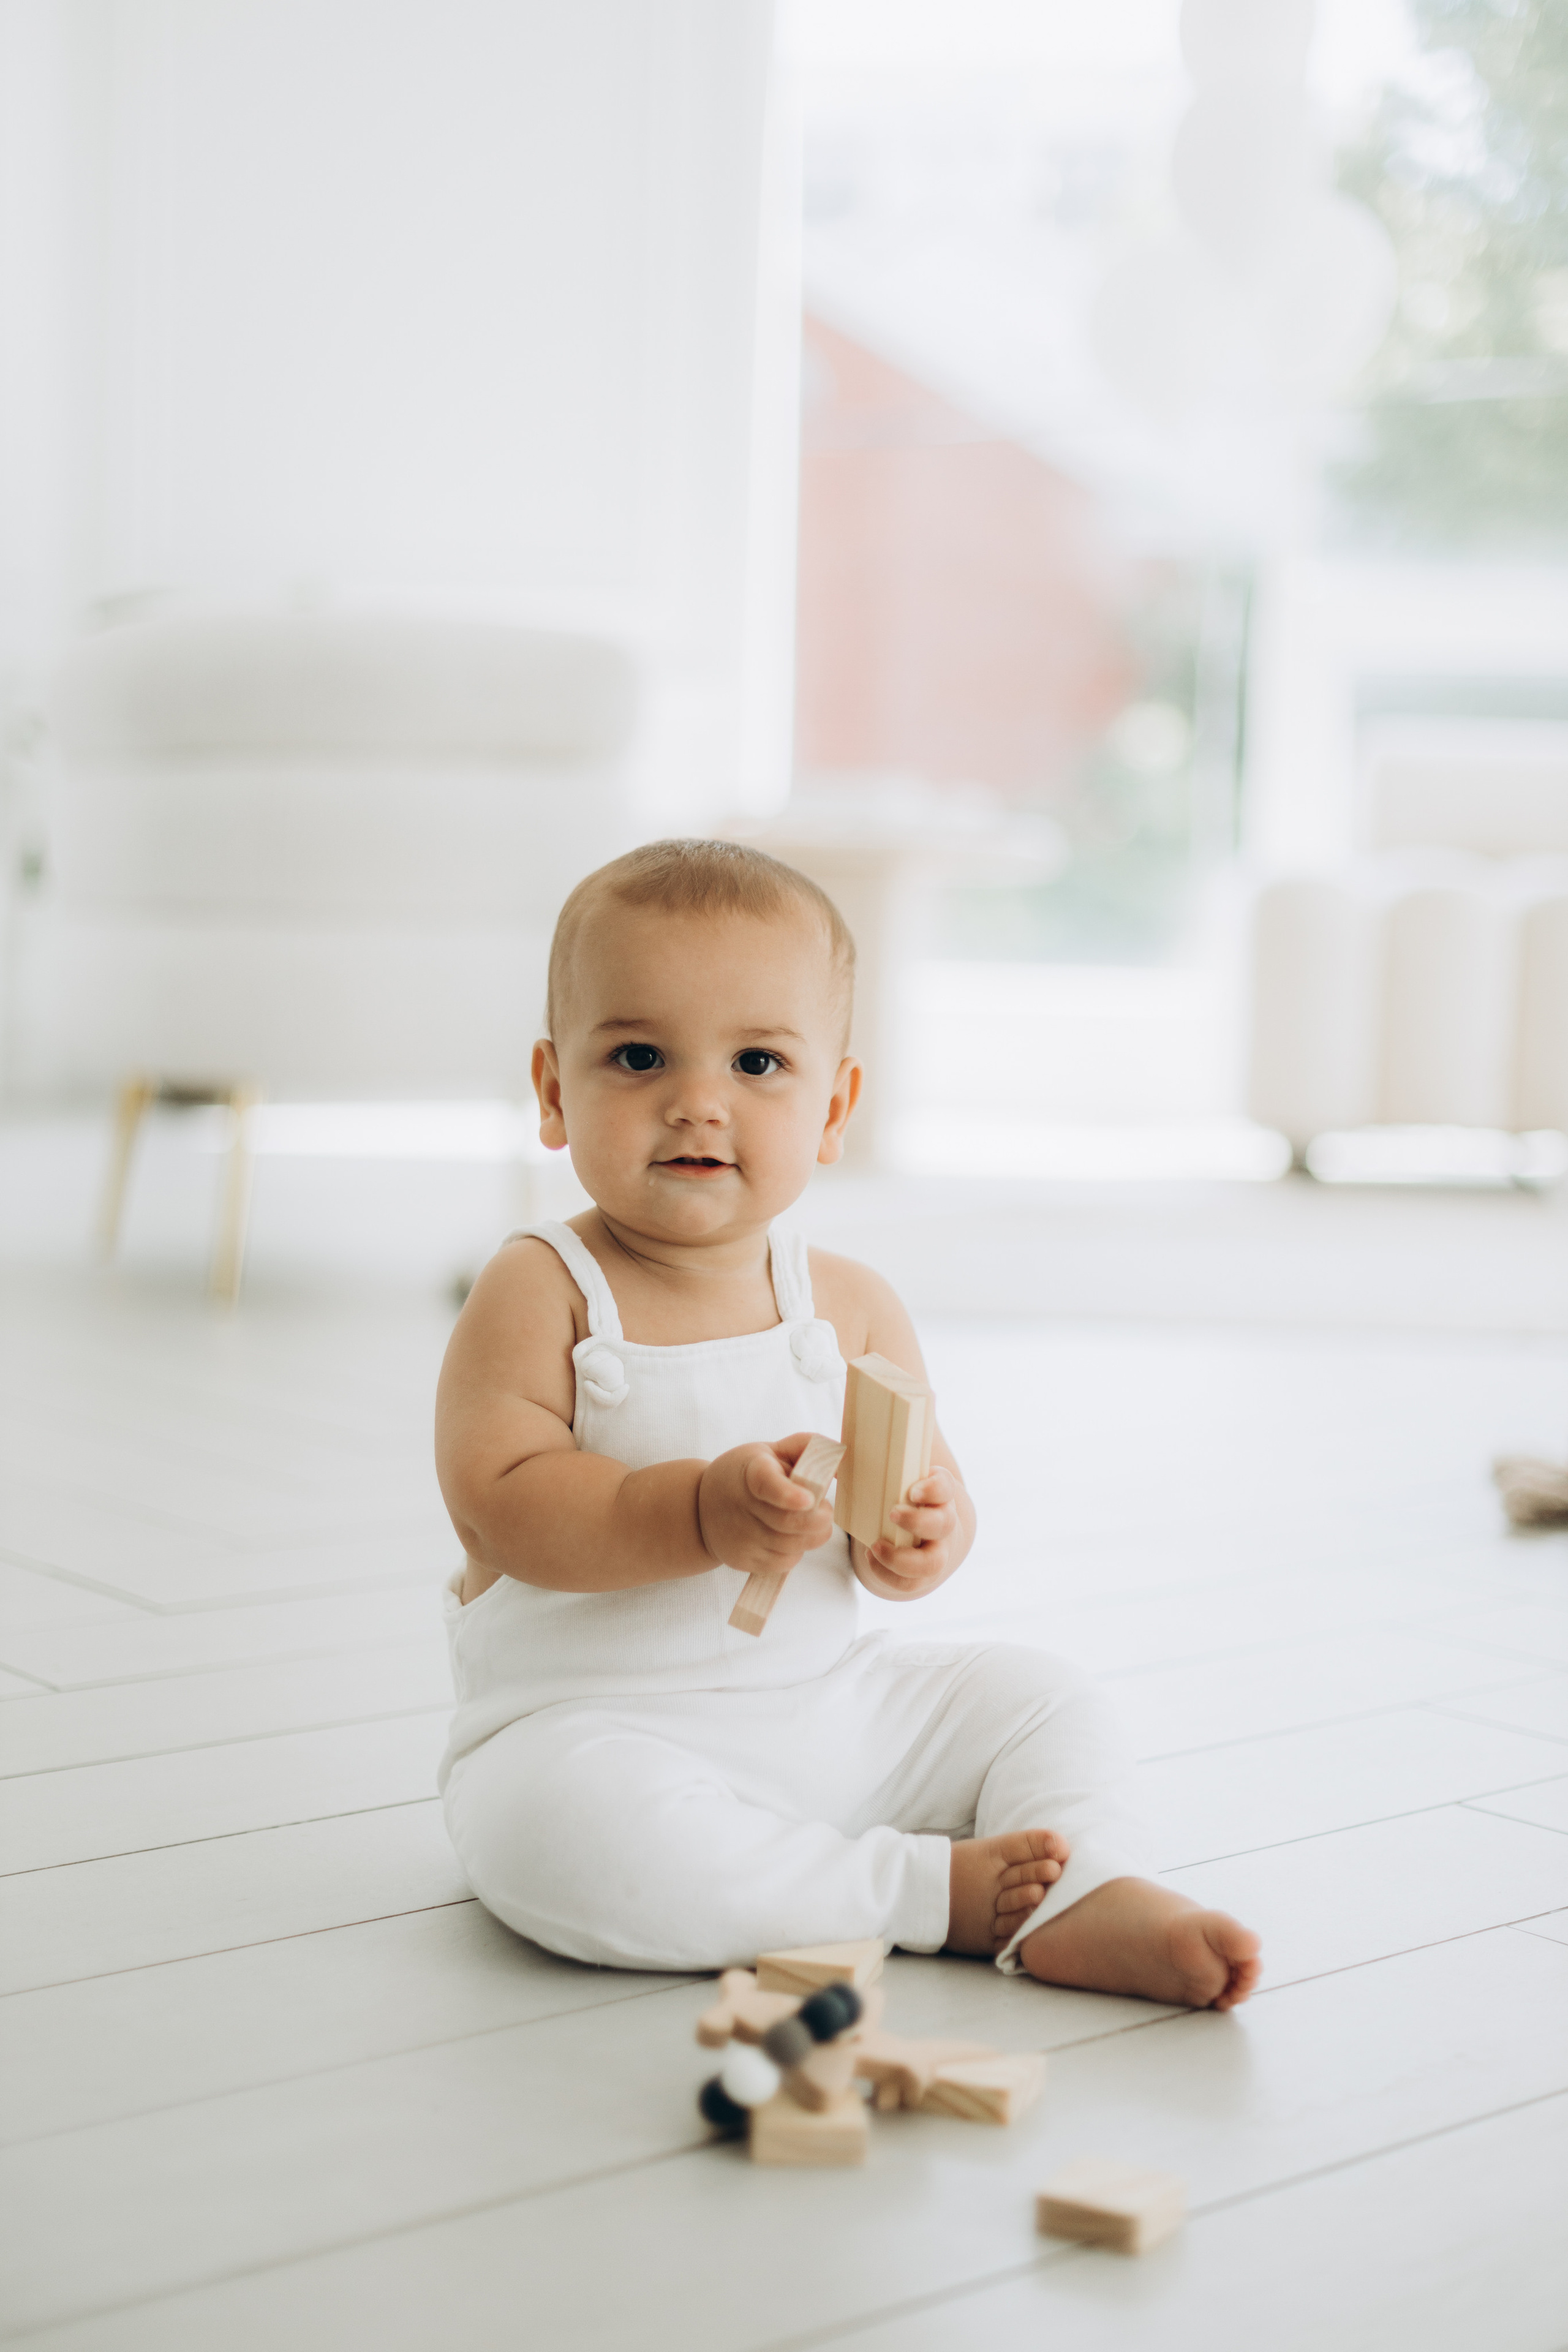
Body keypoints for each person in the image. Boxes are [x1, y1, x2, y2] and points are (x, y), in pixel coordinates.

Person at [434, 838, 1261, 2007]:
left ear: (834, 1107)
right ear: (556, 1092)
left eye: (758, 1061)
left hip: (829, 1714)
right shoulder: (541, 1289)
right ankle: (925, 1894)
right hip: (594, 1734)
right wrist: (698, 1512)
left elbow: (922, 1501)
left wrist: (919, 1535)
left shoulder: (852, 1307)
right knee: (564, 1839)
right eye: (638, 1056)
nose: (697, 1101)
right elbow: (502, 1506)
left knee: (1039, 1695)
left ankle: (1084, 1885)